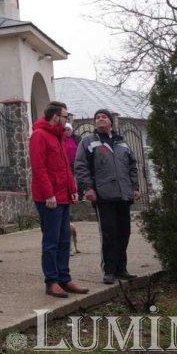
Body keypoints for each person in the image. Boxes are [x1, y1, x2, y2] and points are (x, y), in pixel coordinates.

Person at [73, 108, 141, 284]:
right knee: (109, 233)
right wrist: (88, 188)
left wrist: (134, 187)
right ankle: (109, 270)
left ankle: (121, 268)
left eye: (104, 117)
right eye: (97, 117)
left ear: (111, 121)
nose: (100, 119)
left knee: (124, 233)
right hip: (103, 195)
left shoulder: (122, 143)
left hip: (123, 195)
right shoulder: (88, 141)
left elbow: (132, 166)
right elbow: (81, 166)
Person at [30, 103, 88, 299]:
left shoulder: (59, 136)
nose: (67, 120)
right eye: (65, 116)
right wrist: (48, 194)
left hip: (62, 196)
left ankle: (65, 278)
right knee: (51, 241)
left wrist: (73, 189)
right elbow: (39, 168)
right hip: (49, 198)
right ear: (55, 116)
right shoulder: (39, 135)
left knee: (64, 239)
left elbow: (65, 166)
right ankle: (52, 281)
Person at [63, 122, 81, 254]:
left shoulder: (77, 139)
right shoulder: (60, 140)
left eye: (69, 129)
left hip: (76, 166)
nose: (67, 131)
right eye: (65, 129)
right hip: (66, 167)